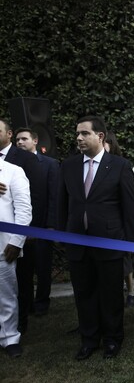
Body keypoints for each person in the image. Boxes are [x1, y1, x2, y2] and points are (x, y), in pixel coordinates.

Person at [57, 116, 134, 360]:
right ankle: (89, 339)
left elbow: (129, 209)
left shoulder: (120, 165)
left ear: (100, 136)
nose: (78, 138)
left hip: (110, 242)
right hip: (78, 244)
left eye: (84, 133)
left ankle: (113, 339)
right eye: (77, 134)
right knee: (84, 293)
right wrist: (63, 236)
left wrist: (128, 244)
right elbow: (62, 204)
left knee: (111, 293)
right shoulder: (68, 166)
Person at [0, 119, 43, 334]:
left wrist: (25, 234)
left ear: (8, 134)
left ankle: (18, 326)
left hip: (15, 235)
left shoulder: (23, 161)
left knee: (20, 282)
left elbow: (32, 197)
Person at [15, 128, 59, 316]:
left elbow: (54, 196)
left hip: (42, 226)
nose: (20, 142)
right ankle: (24, 304)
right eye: (17, 139)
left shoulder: (50, 164)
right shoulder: (9, 164)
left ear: (35, 141)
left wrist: (50, 225)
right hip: (17, 228)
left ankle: (41, 304)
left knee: (42, 268)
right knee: (21, 269)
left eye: (24, 139)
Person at [0, 158, 32, 358]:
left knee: (6, 296)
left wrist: (17, 241)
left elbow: (23, 209)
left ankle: (10, 338)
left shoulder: (13, 171)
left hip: (3, 246)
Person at [103, 130, 134, 308]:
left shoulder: (121, 166)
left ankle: (130, 291)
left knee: (124, 260)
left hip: (118, 225)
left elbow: (129, 200)